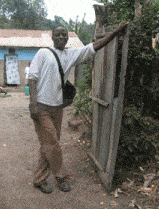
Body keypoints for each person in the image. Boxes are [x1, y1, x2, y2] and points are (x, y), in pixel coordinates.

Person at [28, 22, 129, 194]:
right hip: (42, 107)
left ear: (68, 38)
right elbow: (32, 77)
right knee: (52, 143)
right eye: (58, 34)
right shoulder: (43, 53)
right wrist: (33, 103)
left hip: (57, 108)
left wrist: (116, 32)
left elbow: (96, 46)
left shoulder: (71, 54)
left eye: (64, 35)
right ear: (52, 37)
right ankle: (61, 177)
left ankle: (39, 179)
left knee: (50, 144)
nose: (61, 37)